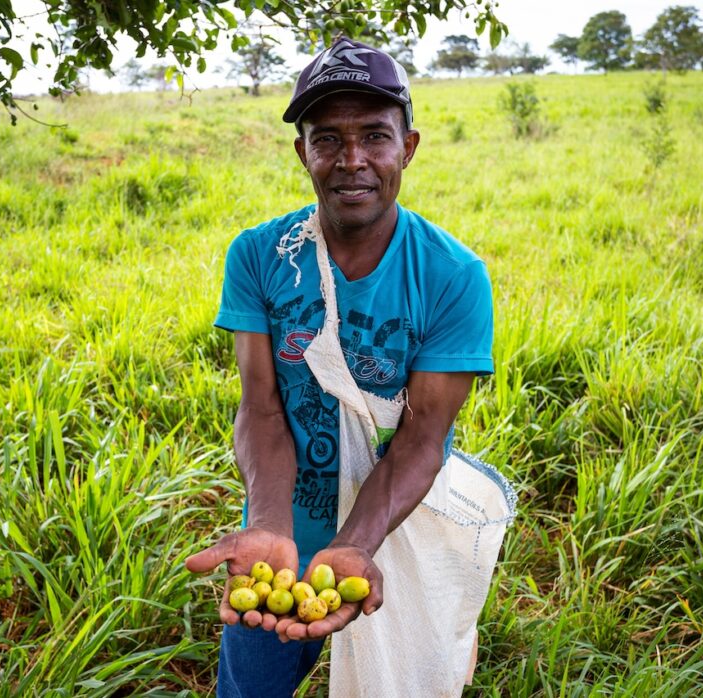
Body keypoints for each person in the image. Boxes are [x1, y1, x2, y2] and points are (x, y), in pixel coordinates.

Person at [185, 36, 495, 697]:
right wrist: (268, 524)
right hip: (284, 520)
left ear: (407, 147)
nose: (351, 160)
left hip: (393, 523)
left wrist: (356, 544)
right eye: (326, 139)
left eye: (374, 137)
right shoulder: (260, 255)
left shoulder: (452, 275)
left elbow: (420, 438)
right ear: (303, 152)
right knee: (249, 688)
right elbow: (262, 408)